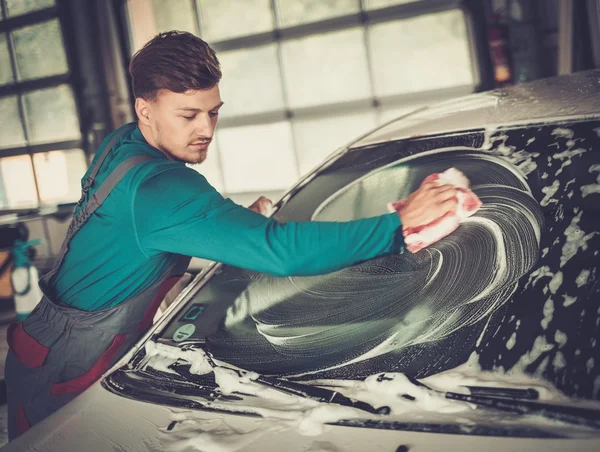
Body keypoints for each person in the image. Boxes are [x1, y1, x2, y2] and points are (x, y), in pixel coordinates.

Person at [5, 31, 457, 440]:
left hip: (47, 344)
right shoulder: (162, 188)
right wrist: (398, 225)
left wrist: (227, 225)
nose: (206, 130)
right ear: (145, 109)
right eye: (189, 115)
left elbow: (142, 229)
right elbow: (278, 251)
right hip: (70, 365)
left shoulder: (124, 143)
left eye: (213, 113)